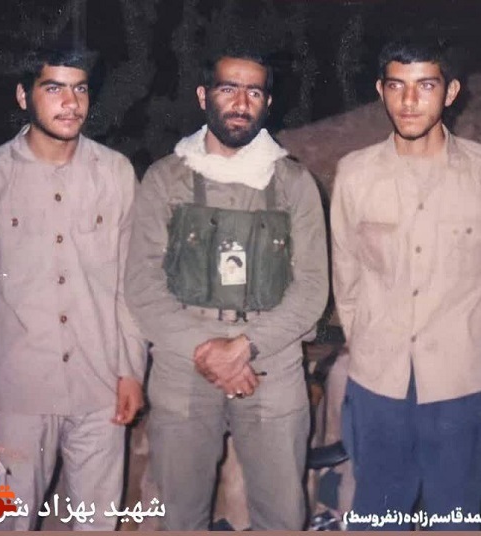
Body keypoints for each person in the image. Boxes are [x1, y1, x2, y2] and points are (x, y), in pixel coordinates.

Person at [125, 48, 328, 530]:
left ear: (268, 103)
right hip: (183, 363)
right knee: (180, 516)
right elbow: (142, 284)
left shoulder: (294, 182)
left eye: (254, 92)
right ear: (203, 96)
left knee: (282, 516)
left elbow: (312, 288)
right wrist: (208, 350)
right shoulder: (166, 178)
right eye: (228, 88)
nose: (240, 102)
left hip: (271, 362)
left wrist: (244, 346)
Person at [331, 38, 481, 530]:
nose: (409, 101)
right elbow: (346, 277)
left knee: (456, 516)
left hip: (461, 382)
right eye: (397, 86)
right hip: (379, 383)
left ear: (451, 91)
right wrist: (368, 345)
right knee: (379, 516)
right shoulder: (354, 174)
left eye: (425, 86)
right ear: (380, 90)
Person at [0, 48, 145, 530]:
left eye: (80, 89)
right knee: (9, 522)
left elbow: (129, 284)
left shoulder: (116, 173)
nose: (71, 103)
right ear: (24, 96)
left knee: (97, 523)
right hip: (19, 392)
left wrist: (131, 369)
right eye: (53, 88)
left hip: (100, 385)